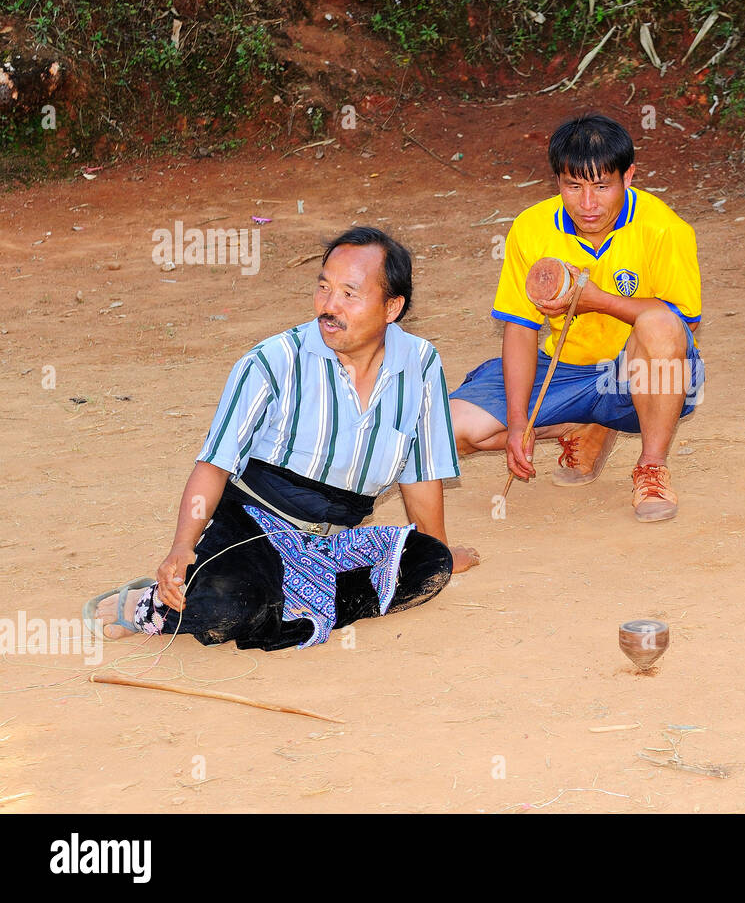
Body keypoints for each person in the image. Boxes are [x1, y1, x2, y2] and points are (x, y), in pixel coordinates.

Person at [86, 227, 479, 651]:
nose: (330, 306)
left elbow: (420, 473)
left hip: (334, 540)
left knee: (428, 565)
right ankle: (158, 603)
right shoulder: (273, 361)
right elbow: (215, 463)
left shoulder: (420, 364)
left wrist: (435, 547)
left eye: (350, 294)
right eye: (324, 288)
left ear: (392, 308)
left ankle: (285, 600)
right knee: (225, 608)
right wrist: (182, 545)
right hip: (255, 523)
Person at [449, 113, 704, 521]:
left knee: (658, 322)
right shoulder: (531, 228)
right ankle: (581, 424)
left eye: (602, 186)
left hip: (632, 378)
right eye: (574, 186)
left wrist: (597, 300)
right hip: (563, 370)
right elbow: (519, 329)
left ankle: (652, 466)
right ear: (558, 181)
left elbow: (681, 327)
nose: (587, 204)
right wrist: (518, 424)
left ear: (628, 177)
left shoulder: (664, 229)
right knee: (454, 429)